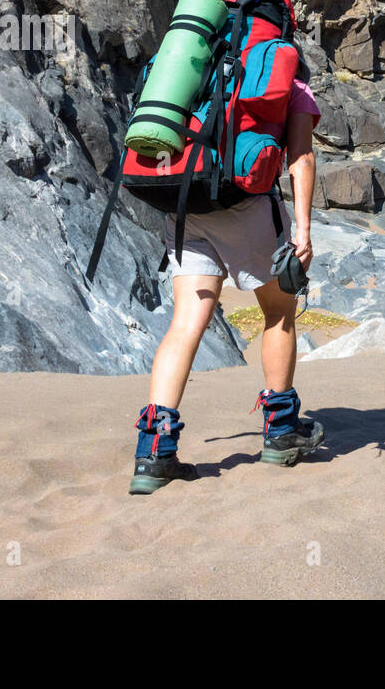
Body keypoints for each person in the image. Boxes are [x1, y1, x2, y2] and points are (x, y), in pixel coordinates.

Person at [130, 72, 322, 494]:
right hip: (246, 205)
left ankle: (154, 451)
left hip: (187, 204)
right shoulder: (282, 72)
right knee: (278, 313)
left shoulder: (195, 66)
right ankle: (281, 432)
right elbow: (302, 158)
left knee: (184, 325)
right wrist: (303, 233)